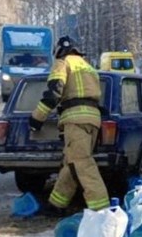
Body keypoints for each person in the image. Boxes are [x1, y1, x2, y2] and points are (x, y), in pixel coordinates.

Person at [29, 36, 109, 216]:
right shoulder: (89, 67)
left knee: (82, 164)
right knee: (72, 163)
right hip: (93, 119)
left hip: (75, 120)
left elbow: (53, 93)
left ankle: (102, 211)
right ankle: (56, 204)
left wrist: (37, 118)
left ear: (59, 51)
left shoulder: (62, 63)